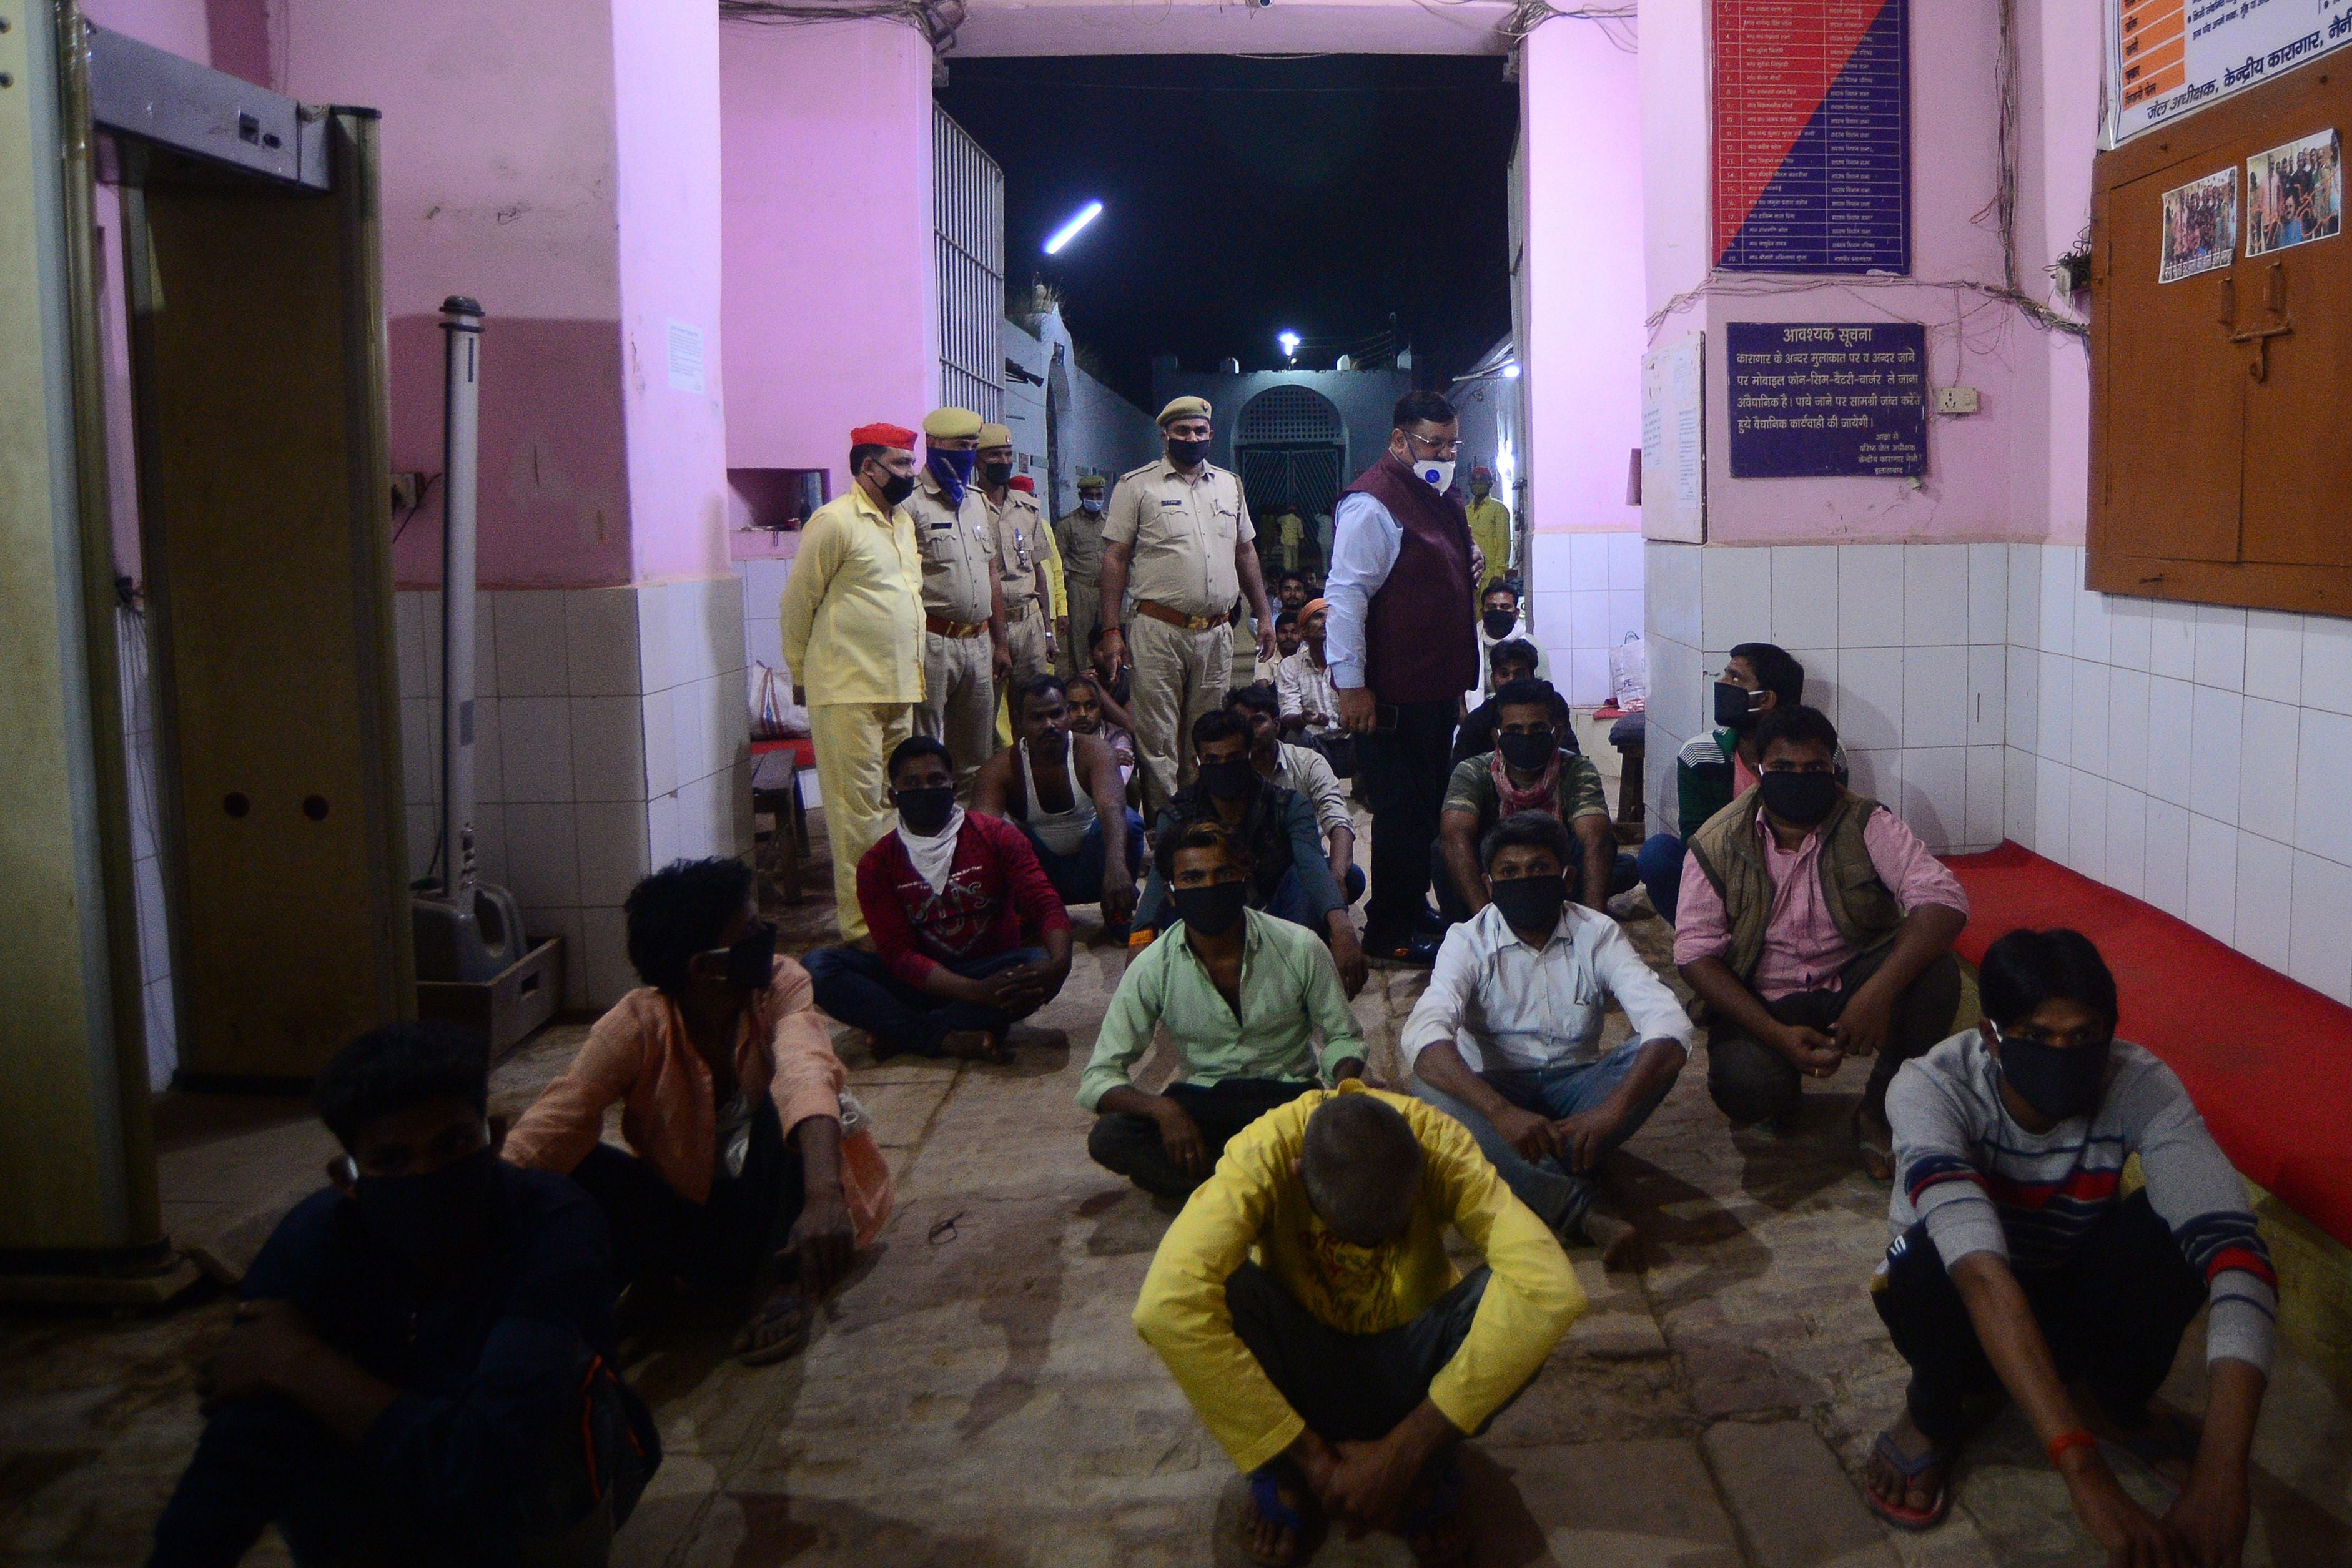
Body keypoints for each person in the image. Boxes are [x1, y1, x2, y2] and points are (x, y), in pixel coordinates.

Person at [149, 1022, 660, 1568]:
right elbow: (239, 1449)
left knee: (552, 1417)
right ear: (347, 1178)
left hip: (524, 1497)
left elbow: (490, 1465)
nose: (428, 1175)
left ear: (494, 1135)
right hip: (397, 1481)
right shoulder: (314, 1243)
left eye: (453, 1144)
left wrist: (300, 1363)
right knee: (281, 1422)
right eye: (393, 1160)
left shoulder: (552, 1223)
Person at [1863, 930, 2276, 1560]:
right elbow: (1978, 1271)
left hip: (2066, 1283)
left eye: (2083, 1036)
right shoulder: (1931, 1088)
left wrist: (2225, 1474)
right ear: (1991, 1035)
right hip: (1964, 1298)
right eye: (2036, 1036)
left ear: (2109, 1031)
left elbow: (2238, 1259)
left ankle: (2108, 1398)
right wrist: (2083, 1476)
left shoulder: (2140, 1084)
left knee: (2183, 1230)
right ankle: (1934, 1410)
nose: (2062, 1054)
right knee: (1922, 1260)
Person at [1133, 1083, 1584, 1566]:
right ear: (1297, 1176)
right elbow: (1163, 1304)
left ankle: (1422, 1470)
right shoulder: (1263, 1152)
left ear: (1421, 1179)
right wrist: (1312, 1460)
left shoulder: (1443, 1150)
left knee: (1522, 1296)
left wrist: (1404, 1452)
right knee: (1210, 1287)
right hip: (1300, 1366)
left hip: (1409, 1370)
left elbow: (1554, 1291)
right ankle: (1286, 1471)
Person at [503, 858, 891, 1364]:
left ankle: (781, 1287)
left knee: (791, 1104)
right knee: (575, 1163)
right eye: (751, 931)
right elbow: (554, 1121)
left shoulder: (777, 985)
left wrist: (823, 1195)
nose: (767, 938)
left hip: (778, 1221)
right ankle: (647, 1282)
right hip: (692, 1222)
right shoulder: (636, 1024)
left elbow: (806, 1070)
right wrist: (475, 1209)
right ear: (705, 967)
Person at [1673, 704, 1966, 1177]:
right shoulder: (1718, 840)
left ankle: (1881, 1109)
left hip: (1851, 982)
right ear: (1759, 767)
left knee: (1935, 974)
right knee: (1747, 1088)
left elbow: (1944, 901)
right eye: (1784, 768)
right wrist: (1778, 1038)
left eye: (1815, 768)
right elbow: (1694, 953)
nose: (1800, 778)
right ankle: (1781, 1088)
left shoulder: (1867, 822)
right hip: (1766, 997)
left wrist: (1876, 994)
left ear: (1833, 767)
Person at [1405, 814, 1690, 1263]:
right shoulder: (1467, 940)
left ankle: (1516, 1162)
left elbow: (1669, 1022)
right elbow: (1426, 1033)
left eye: (1539, 869)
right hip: (1495, 1092)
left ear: (1566, 877)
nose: (1525, 880)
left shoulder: (1596, 933)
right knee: (1428, 1087)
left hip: (1580, 1093)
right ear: (1489, 883)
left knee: (1659, 1054)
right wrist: (1500, 1113)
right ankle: (1584, 1207)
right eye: (1510, 872)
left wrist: (1609, 1111)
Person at [1082, 822, 1366, 1199]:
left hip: (1288, 1098)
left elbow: (1342, 1037)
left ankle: (1220, 1193)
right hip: (1203, 1104)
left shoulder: (1299, 946)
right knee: (1111, 1136)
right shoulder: (1153, 967)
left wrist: (1346, 1085)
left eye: (1223, 874)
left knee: (1366, 1124)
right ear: (1171, 894)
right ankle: (1272, 1186)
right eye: (1192, 878)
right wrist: (1163, 1110)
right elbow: (1100, 1076)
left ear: (1244, 879)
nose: (1209, 887)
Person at [804, 737, 1072, 1063]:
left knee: (1037, 965)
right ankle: (946, 1034)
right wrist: (974, 994)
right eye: (912, 783)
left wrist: (1060, 963)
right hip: (921, 982)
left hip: (989, 972)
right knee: (817, 967)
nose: (926, 790)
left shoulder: (996, 836)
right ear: (894, 797)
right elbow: (898, 955)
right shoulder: (878, 863)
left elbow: (1044, 902)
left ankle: (904, 1032)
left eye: (936, 780)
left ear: (953, 786)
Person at [1328, 392, 1478, 967]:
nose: (1444, 453)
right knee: (1399, 812)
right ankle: (1388, 927)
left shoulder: (1434, 494)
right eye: (1432, 443)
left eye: (1451, 444)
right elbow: (1346, 596)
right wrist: (1351, 684)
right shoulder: (1374, 503)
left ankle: (1414, 908)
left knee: (1425, 808)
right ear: (1399, 441)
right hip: (1390, 694)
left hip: (1433, 690)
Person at [779, 422, 929, 940]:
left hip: (898, 688)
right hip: (847, 691)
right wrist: (799, 672)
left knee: (894, 808)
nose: (912, 473)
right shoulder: (834, 521)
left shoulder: (903, 523)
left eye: (912, 463)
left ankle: (895, 912)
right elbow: (798, 603)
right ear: (869, 467)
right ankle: (864, 929)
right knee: (855, 817)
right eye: (902, 464)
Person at [1097, 396, 1278, 817]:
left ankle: (1205, 821)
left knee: (1209, 733)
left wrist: (1264, 613)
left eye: (1199, 431)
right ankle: (1167, 828)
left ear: (1211, 435)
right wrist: (1111, 630)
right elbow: (1115, 559)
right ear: (1165, 435)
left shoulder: (1230, 485)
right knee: (1158, 738)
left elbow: (1246, 552)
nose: (1192, 438)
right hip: (1159, 629)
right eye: (1182, 431)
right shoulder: (1136, 486)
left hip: (1217, 632)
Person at [1133, 711, 1366, 996]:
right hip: (1212, 911)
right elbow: (1159, 882)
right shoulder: (1178, 812)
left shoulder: (1287, 804)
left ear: (1249, 758)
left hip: (1277, 912)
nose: (1224, 768)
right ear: (1198, 764)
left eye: (1233, 759)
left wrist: (1342, 929)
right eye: (1213, 761)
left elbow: (1310, 866)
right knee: (1178, 892)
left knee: (1324, 879)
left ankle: (1287, 972)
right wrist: (1140, 940)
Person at [1636, 642, 1827, 925]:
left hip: (1800, 877)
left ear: (1765, 699)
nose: (1723, 684)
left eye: (1735, 678)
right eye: (1725, 675)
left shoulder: (1821, 756)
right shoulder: (1699, 754)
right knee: (1658, 855)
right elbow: (1695, 840)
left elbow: (1829, 829)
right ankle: (1708, 944)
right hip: (1724, 876)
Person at [1435, 679, 1613, 924]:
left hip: (1551, 866)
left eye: (1538, 729)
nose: (1526, 737)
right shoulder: (1474, 770)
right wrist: (1487, 923)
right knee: (1443, 850)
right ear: (1496, 736)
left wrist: (1597, 927)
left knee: (1604, 848)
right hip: (1497, 868)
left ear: (1557, 733)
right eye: (1515, 731)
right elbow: (1454, 834)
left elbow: (1596, 838)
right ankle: (1469, 933)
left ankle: (1578, 928)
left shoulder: (1576, 769)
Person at [973, 674, 1141, 930]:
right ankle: (1026, 913)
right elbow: (980, 832)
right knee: (997, 835)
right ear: (1019, 721)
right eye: (1038, 718)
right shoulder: (1000, 768)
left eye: (1057, 714)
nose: (1050, 725)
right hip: (1041, 876)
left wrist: (1117, 867)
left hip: (1095, 869)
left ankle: (1119, 910)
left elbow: (1112, 809)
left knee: (1128, 821)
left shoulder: (1094, 752)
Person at [907, 406, 1009, 801]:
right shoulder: (911, 505)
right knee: (927, 748)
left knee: (976, 753)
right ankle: (929, 834)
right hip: (933, 642)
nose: (966, 455)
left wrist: (1000, 642)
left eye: (972, 447)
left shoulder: (976, 502)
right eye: (958, 446)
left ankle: (971, 836)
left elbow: (992, 575)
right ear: (933, 445)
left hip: (979, 643)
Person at [1228, 683, 1363, 908]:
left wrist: (1336, 878)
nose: (1250, 731)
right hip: (1246, 876)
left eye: (1258, 721)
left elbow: (1338, 821)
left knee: (1351, 878)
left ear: (1277, 724)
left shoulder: (1309, 763)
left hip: (1301, 868)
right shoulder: (1226, 770)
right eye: (1242, 724)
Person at [977, 425, 1056, 686]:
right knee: (986, 711)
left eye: (1008, 454)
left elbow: (1039, 573)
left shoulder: (1028, 509)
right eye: (995, 455)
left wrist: (1048, 631)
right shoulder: (969, 509)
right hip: (987, 629)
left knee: (1034, 706)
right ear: (978, 460)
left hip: (1029, 623)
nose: (1004, 462)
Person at [1275, 596, 1351, 777]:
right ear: (1303, 632)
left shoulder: (1349, 661)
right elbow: (1288, 713)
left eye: (1330, 617)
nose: (1325, 621)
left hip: (1350, 742)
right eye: (1318, 616)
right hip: (1316, 745)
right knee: (1294, 737)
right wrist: (1305, 718)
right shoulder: (1291, 665)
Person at [1449, 639, 1548, 771]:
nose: (1511, 680)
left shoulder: (1550, 711)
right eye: (1504, 674)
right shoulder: (1476, 721)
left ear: (1532, 677)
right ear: (1492, 679)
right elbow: (1459, 773)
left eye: (1519, 673)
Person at [1055, 472, 1112, 669]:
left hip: (1106, 589)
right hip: (1080, 588)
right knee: (1079, 639)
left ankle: (1107, 681)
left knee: (1109, 635)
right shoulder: (1068, 524)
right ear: (1081, 497)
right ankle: (1080, 681)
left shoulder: (1111, 522)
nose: (1096, 500)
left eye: (1100, 495)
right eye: (1091, 495)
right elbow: (1057, 561)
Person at [1472, 581, 1549, 697]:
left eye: (1505, 607)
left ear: (1516, 613)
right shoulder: (1468, 646)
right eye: (1492, 607)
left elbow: (1545, 691)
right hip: (1480, 712)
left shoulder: (1533, 645)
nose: (1498, 611)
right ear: (1482, 613)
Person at [1066, 669, 1139, 782]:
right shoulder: (1055, 734)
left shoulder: (1118, 737)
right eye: (1073, 707)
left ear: (1101, 708)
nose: (1082, 714)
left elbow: (1117, 782)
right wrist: (1104, 760)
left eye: (1090, 706)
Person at [1463, 466, 1511, 596]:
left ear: (1490, 483)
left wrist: (1499, 573)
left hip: (1490, 577)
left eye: (1482, 480)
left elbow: (1504, 544)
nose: (1478, 484)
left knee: (1489, 613)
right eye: (1475, 480)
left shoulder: (1498, 509)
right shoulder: (1465, 511)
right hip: (1469, 576)